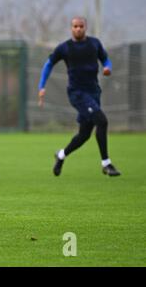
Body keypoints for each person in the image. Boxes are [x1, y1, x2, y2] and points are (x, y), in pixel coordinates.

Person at [38, 16, 121, 177]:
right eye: (75, 26)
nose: (78, 29)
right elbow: (48, 64)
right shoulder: (65, 48)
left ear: (85, 27)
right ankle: (106, 164)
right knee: (102, 121)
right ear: (71, 28)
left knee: (84, 135)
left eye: (81, 26)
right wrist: (42, 86)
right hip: (77, 93)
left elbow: (106, 60)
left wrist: (107, 68)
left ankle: (61, 155)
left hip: (94, 92)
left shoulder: (94, 43)